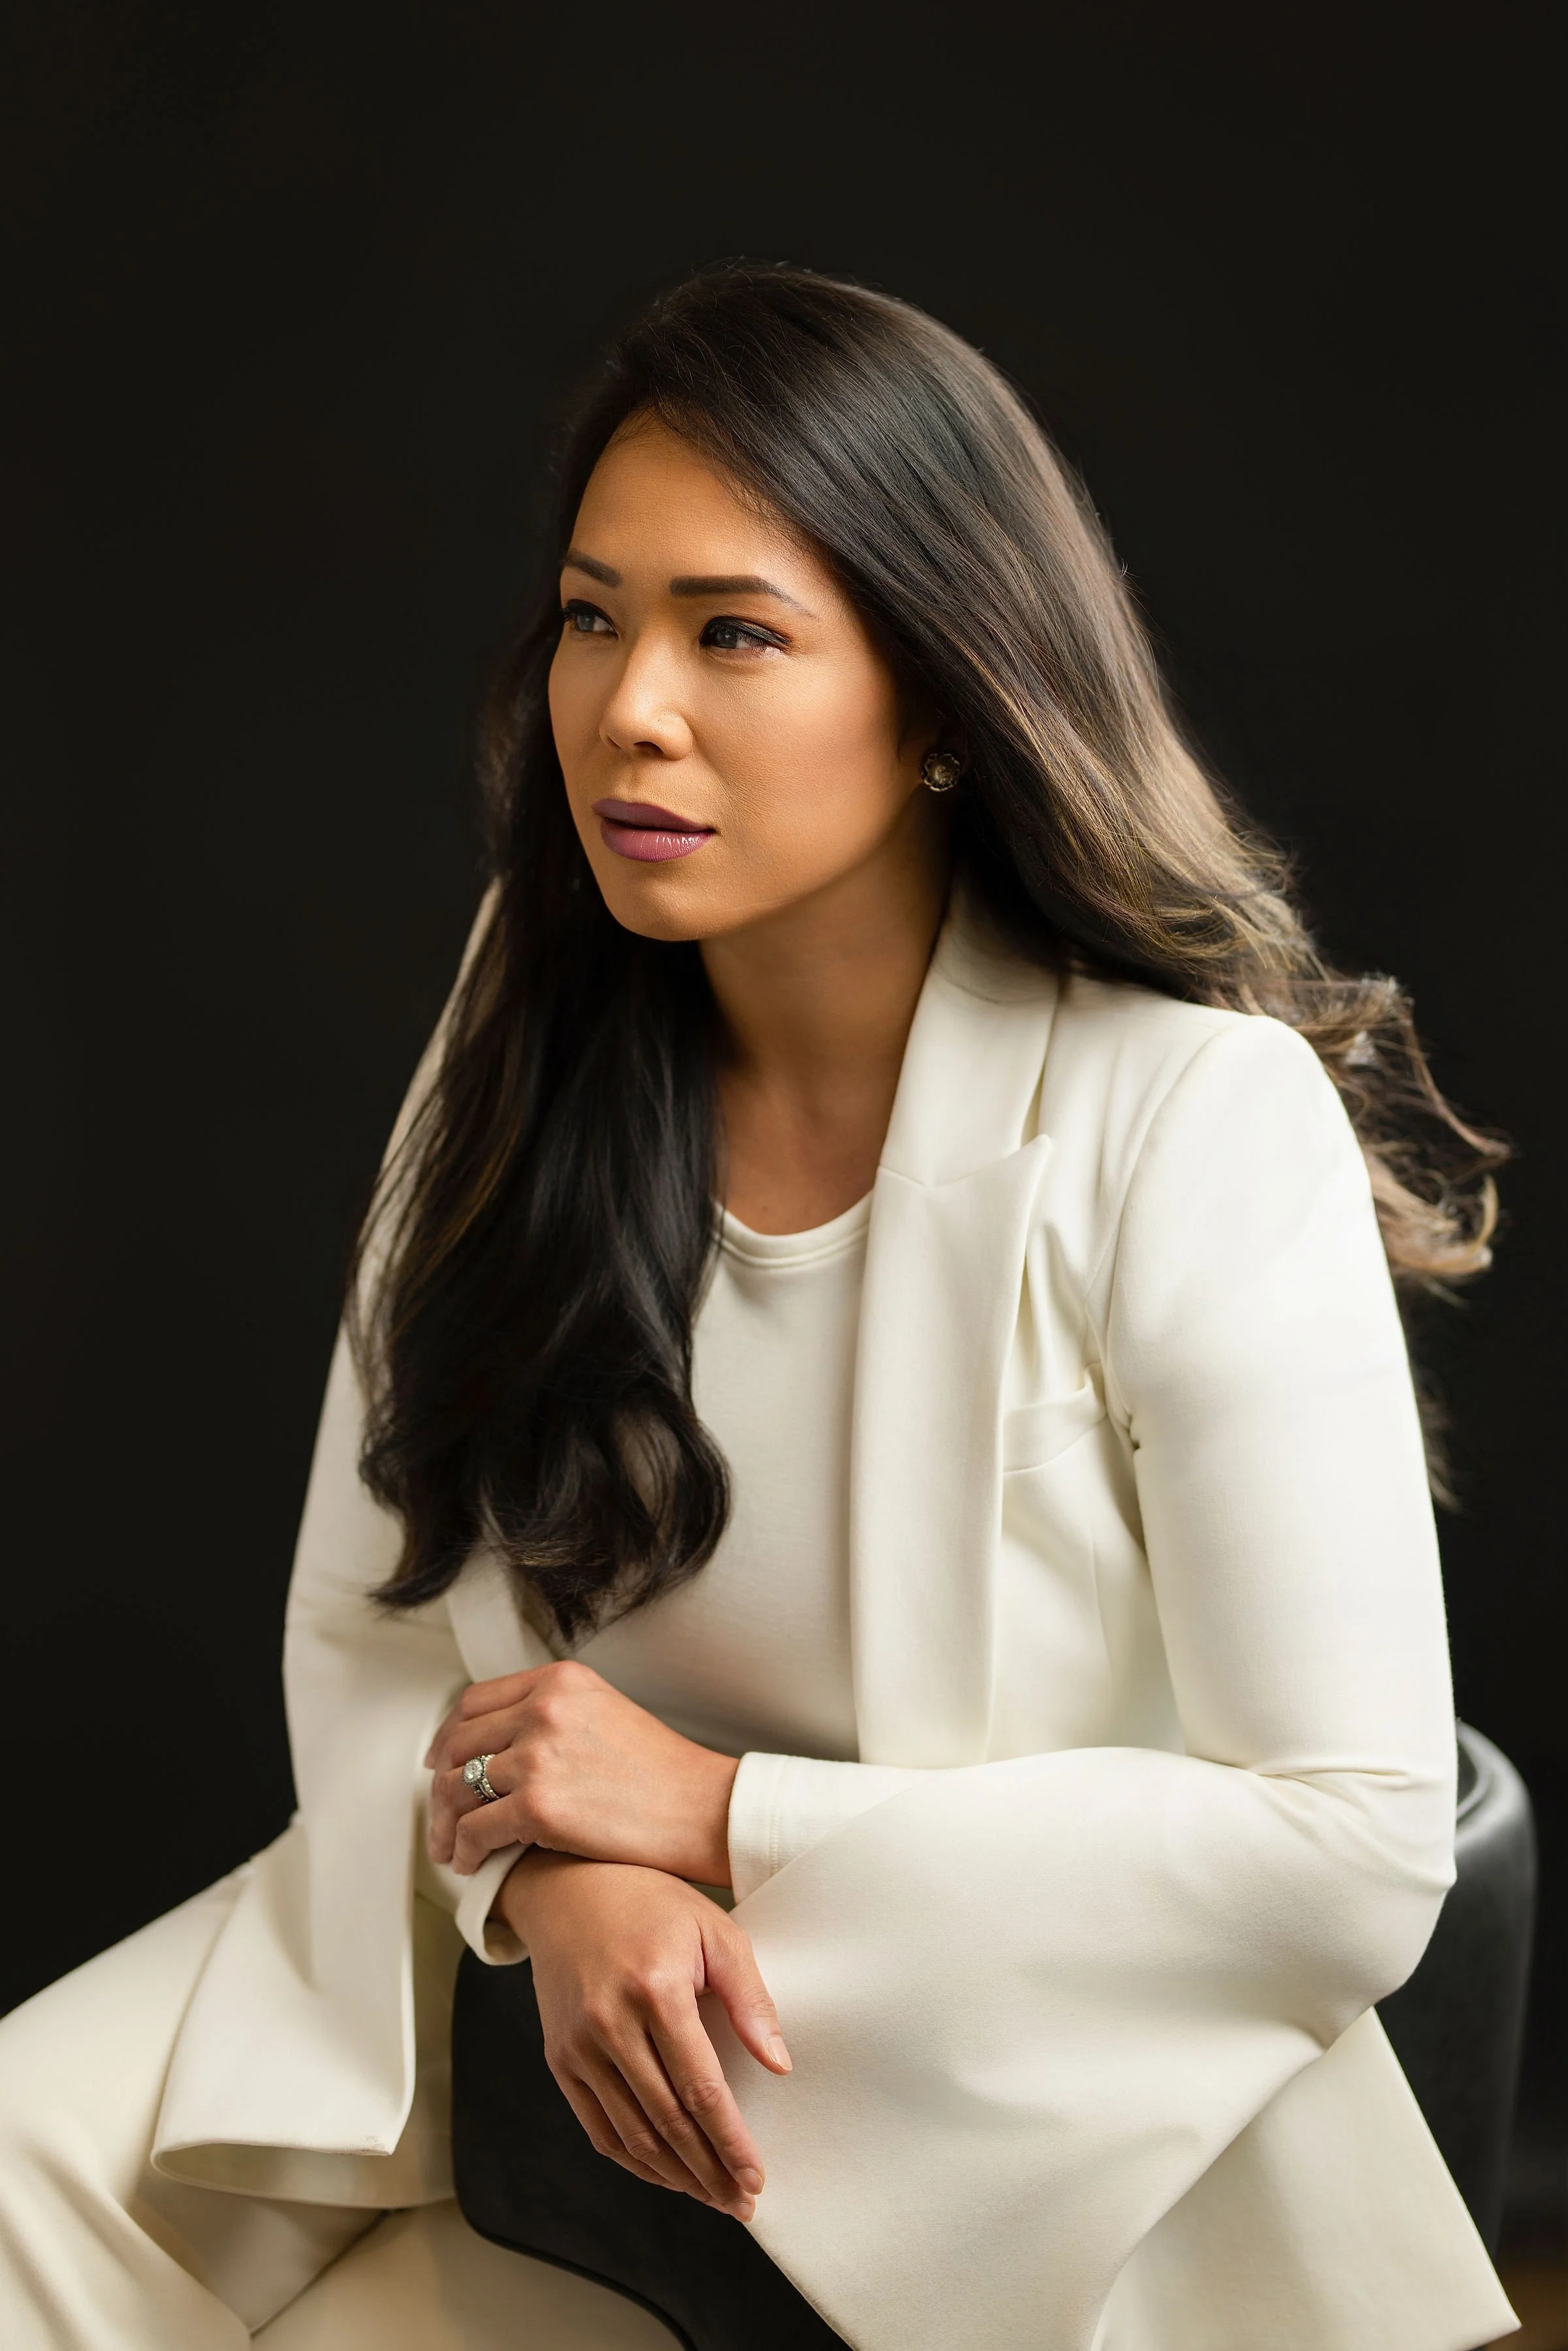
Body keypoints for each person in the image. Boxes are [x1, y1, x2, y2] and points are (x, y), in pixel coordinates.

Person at [0, 265, 1520, 2350]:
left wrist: (712, 1817)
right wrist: (556, 1878)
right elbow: (373, 1619)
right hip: (487, 1964)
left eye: (737, 634)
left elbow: (1347, 1854)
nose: (631, 705)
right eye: (593, 614)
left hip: (945, 2095)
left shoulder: (1186, 1115)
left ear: (950, 702)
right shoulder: (521, 1035)